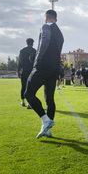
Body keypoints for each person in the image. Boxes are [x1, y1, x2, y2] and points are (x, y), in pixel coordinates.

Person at [25, 9, 64, 139]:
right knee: (49, 99)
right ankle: (48, 130)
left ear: (46, 17)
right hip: (54, 68)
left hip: (43, 66)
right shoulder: (60, 33)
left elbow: (45, 40)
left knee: (28, 94)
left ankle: (45, 120)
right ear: (56, 19)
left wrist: (38, 58)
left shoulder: (45, 26)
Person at [17, 38, 36, 109]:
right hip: (32, 70)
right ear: (32, 43)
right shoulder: (34, 51)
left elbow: (20, 61)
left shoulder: (22, 51)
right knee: (31, 86)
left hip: (24, 70)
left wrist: (18, 70)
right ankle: (29, 103)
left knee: (23, 85)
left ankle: (23, 101)